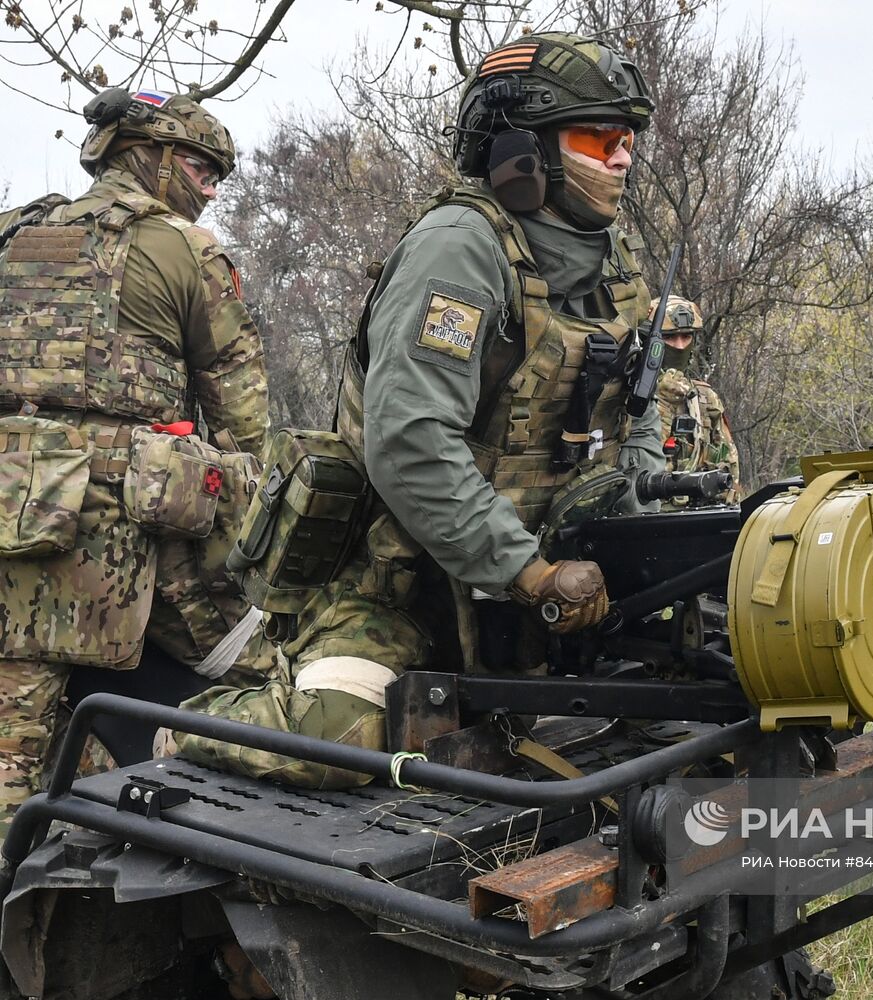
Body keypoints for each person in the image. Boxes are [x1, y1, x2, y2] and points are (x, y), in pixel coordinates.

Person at [171, 32, 665, 786]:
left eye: (626, 139)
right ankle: (177, 735)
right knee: (338, 741)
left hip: (532, 599)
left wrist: (634, 537)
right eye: (600, 137)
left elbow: (637, 416)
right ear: (523, 152)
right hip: (396, 589)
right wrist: (532, 575)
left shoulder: (609, 263)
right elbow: (410, 443)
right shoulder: (460, 250)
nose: (623, 157)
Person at [0, 88, 269, 829]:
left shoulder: (9, 234)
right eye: (201, 168)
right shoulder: (187, 249)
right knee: (254, 685)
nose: (209, 189)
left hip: (10, 527)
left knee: (11, 757)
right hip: (132, 537)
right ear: (146, 158)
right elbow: (245, 420)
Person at [653, 296, 742, 502]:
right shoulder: (627, 397)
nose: (679, 345)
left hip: (699, 517)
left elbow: (729, 468)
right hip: (647, 519)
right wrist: (661, 403)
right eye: (669, 337)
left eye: (686, 336)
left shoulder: (704, 398)